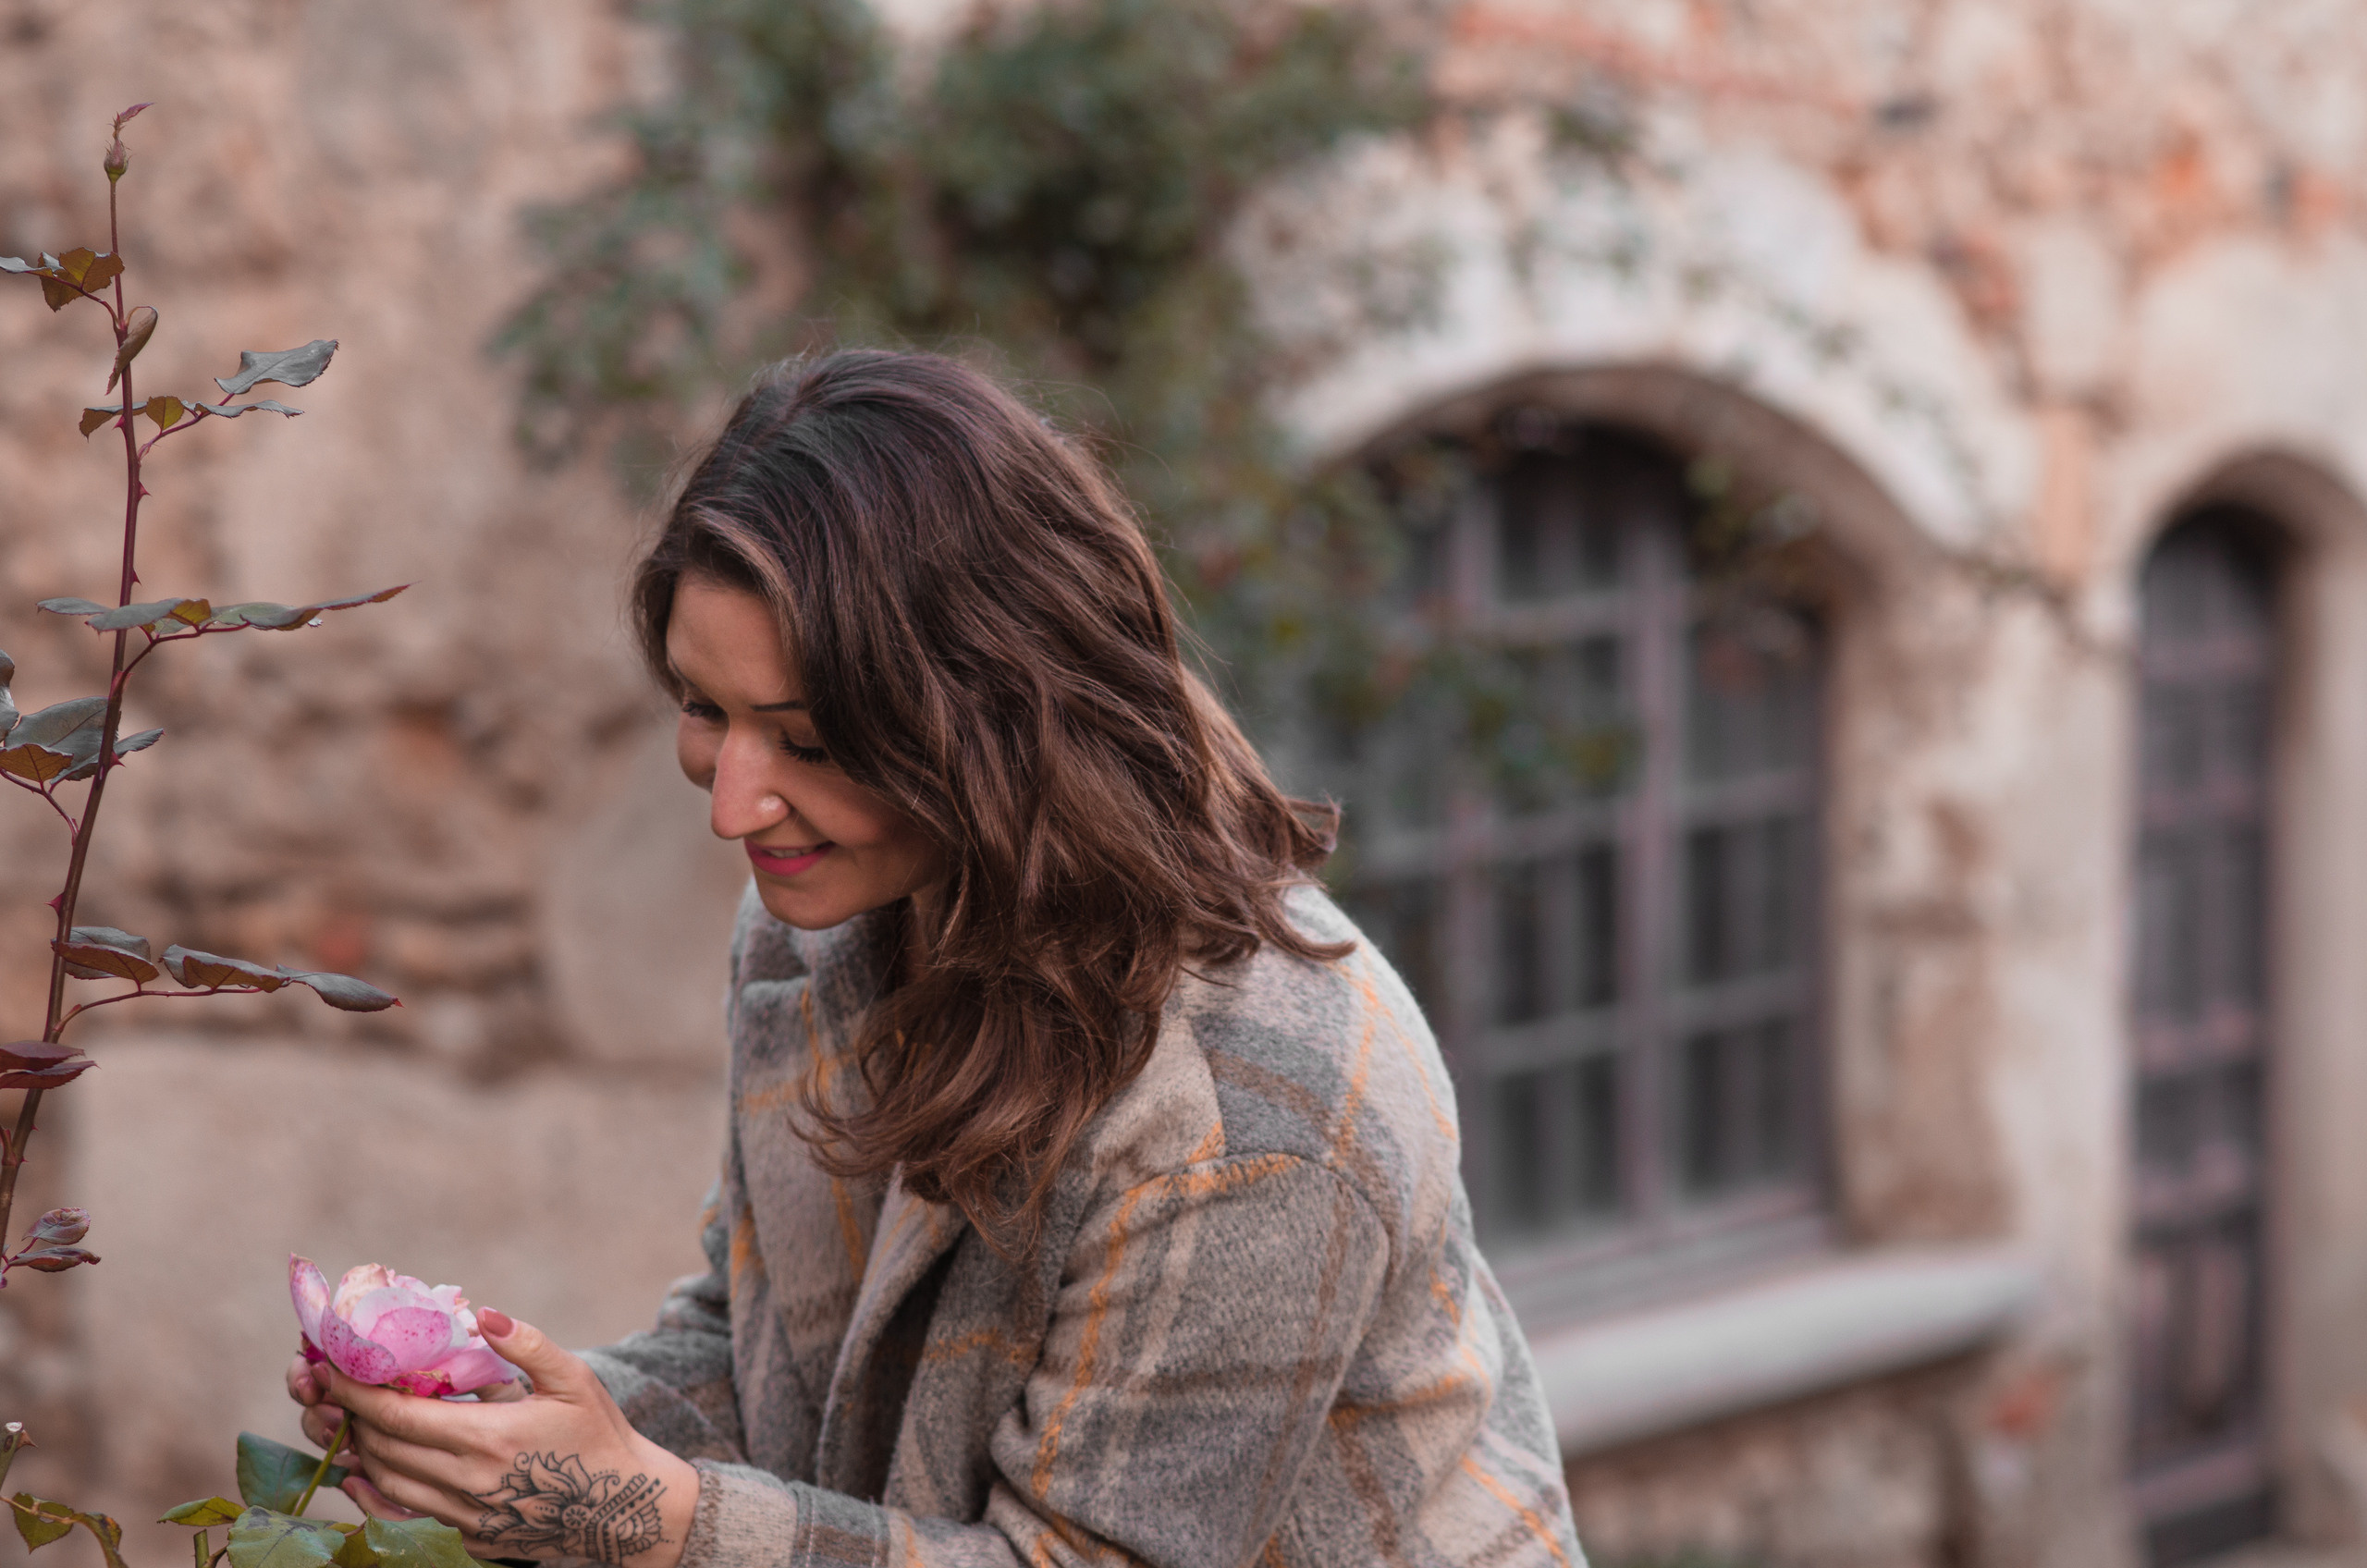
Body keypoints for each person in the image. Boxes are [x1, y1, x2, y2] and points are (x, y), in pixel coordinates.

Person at [288, 349, 1584, 1568]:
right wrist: (484, 1420)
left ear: (997, 716)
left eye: (809, 739)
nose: (735, 805)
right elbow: (768, 1357)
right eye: (704, 709)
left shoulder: (1254, 1111)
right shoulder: (826, 923)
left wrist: (643, 1514)